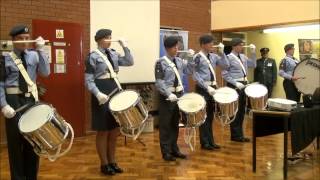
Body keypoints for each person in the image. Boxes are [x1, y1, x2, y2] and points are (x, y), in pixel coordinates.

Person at [0, 25, 50, 180]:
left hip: (30, 101)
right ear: (13, 40)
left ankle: (31, 176)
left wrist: (42, 51)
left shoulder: (35, 56)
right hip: (13, 101)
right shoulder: (5, 58)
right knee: (15, 143)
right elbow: (0, 84)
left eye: (26, 38)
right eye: (20, 38)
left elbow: (46, 73)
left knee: (33, 141)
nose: (24, 41)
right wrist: (3, 105)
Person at [84, 29, 133, 175]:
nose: (109, 39)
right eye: (106, 37)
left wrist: (125, 47)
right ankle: (104, 164)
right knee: (103, 131)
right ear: (98, 40)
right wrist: (97, 93)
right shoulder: (92, 57)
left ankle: (113, 161)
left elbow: (130, 62)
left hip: (115, 89)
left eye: (110, 37)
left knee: (114, 130)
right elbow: (88, 79)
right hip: (101, 92)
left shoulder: (113, 53)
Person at [155, 36, 191, 161]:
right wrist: (168, 94)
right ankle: (166, 152)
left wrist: (190, 58)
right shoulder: (160, 62)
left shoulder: (180, 61)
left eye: (177, 46)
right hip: (167, 97)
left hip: (178, 96)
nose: (177, 49)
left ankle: (174, 149)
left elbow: (190, 71)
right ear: (167, 48)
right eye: (174, 47)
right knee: (165, 125)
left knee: (175, 124)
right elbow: (159, 82)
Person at [191, 35, 228, 150]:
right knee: (204, 116)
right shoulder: (197, 57)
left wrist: (222, 53)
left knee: (211, 116)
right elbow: (195, 75)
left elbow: (226, 65)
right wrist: (207, 87)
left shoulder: (213, 56)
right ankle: (204, 142)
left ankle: (211, 141)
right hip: (203, 88)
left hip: (213, 87)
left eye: (213, 43)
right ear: (202, 44)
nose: (212, 45)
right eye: (210, 43)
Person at [222, 38, 256, 142]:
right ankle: (235, 135)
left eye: (242, 45)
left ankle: (240, 134)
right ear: (234, 46)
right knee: (235, 110)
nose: (242, 47)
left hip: (244, 84)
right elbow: (224, 74)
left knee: (242, 110)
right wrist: (236, 83)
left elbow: (253, 65)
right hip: (235, 85)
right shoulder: (228, 58)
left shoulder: (243, 56)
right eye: (240, 45)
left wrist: (253, 53)